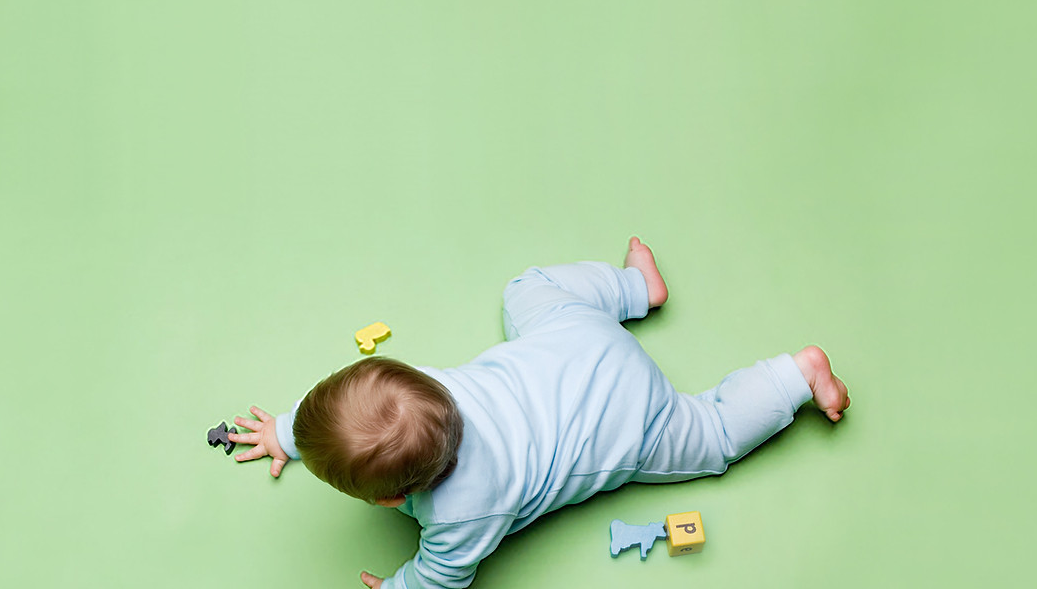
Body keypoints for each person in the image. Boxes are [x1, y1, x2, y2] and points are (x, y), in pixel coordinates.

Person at [228, 237, 851, 588]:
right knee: (524, 290)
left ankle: (795, 376)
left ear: (391, 502)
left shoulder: (464, 515)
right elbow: (352, 415)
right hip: (579, 340)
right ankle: (635, 290)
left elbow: (440, 578)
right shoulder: (424, 390)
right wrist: (291, 432)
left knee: (712, 436)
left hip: (632, 420)